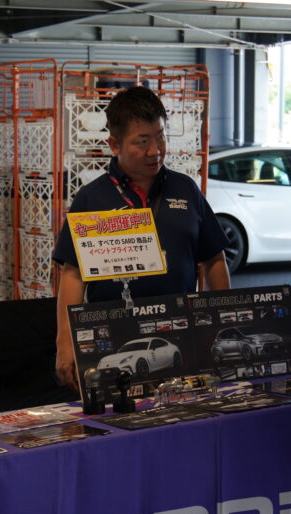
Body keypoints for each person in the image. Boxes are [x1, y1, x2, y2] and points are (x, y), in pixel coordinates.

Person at [52, 86, 230, 391]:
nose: (155, 150)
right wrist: (65, 344)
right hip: (111, 336)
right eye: (142, 141)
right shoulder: (92, 198)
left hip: (179, 331)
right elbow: (72, 275)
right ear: (114, 144)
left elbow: (214, 259)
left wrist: (221, 320)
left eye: (160, 137)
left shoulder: (185, 189)